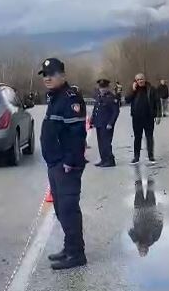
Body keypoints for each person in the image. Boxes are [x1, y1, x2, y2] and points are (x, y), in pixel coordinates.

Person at [38, 58, 88, 270]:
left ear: (63, 75)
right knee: (60, 208)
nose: (47, 78)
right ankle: (69, 247)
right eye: (45, 75)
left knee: (68, 209)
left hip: (66, 164)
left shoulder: (70, 98)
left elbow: (77, 133)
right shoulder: (55, 97)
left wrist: (70, 160)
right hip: (55, 162)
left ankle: (76, 254)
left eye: (52, 74)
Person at [125, 73, 161, 165]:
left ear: (145, 79)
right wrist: (133, 90)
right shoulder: (133, 89)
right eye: (138, 80)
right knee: (137, 137)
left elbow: (157, 102)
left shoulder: (151, 89)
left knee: (149, 137)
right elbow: (127, 100)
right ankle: (136, 157)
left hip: (149, 117)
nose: (140, 81)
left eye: (141, 79)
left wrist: (158, 115)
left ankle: (151, 156)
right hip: (136, 118)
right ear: (135, 81)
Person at [129, 168, 163, 257]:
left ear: (139, 248)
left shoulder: (136, 239)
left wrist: (136, 241)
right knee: (150, 188)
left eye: (141, 249)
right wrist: (160, 210)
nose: (143, 247)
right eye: (144, 250)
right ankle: (150, 169)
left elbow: (129, 230)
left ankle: (137, 170)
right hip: (150, 209)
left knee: (138, 188)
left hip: (139, 209)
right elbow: (160, 223)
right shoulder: (154, 238)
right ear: (147, 249)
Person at [90, 79, 120, 167]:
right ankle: (103, 159)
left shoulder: (112, 98)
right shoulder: (99, 96)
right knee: (100, 143)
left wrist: (111, 123)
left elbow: (115, 112)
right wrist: (92, 121)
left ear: (108, 87)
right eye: (101, 87)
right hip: (99, 123)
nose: (102, 89)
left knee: (106, 143)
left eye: (104, 87)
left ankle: (110, 161)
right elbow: (96, 109)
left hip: (107, 124)